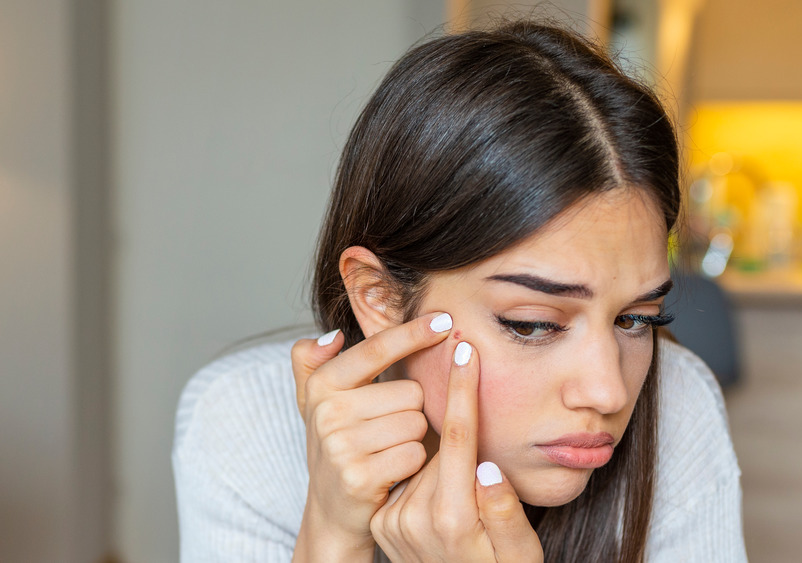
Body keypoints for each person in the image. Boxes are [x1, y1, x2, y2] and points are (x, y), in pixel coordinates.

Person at [173, 20, 746, 562]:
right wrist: (329, 535)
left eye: (636, 319)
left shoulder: (679, 410)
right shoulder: (243, 421)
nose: (608, 390)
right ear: (379, 297)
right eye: (532, 323)